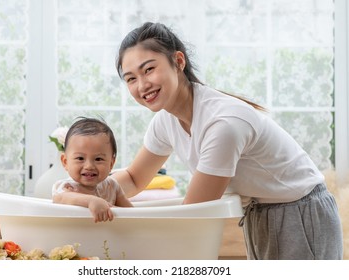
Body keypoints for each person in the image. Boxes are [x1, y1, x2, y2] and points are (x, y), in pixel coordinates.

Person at [111, 22, 343, 259]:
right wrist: (89, 190)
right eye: (130, 79)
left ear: (179, 62)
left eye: (149, 69)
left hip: (300, 212)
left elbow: (193, 212)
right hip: (260, 213)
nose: (142, 85)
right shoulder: (165, 122)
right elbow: (134, 178)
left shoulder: (223, 123)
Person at [52, 117, 133, 223]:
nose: (89, 166)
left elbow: (131, 214)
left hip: (109, 237)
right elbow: (60, 199)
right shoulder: (67, 187)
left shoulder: (111, 186)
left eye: (98, 159)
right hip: (75, 237)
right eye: (80, 158)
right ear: (65, 162)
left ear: (111, 163)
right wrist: (91, 201)